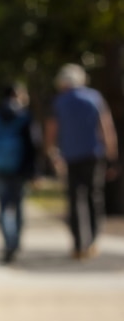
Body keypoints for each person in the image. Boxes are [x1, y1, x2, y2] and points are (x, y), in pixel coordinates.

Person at [44, 64, 119, 259]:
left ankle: (79, 245)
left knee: (75, 199)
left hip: (70, 157)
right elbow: (106, 127)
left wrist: (51, 152)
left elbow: (52, 130)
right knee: (94, 197)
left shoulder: (59, 102)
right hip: (94, 155)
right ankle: (93, 241)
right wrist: (112, 157)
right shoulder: (94, 97)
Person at [0, 83, 35, 263]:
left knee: (3, 206)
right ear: (18, 95)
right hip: (19, 167)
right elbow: (32, 145)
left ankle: (8, 242)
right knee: (18, 205)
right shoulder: (24, 115)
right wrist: (32, 171)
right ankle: (16, 242)